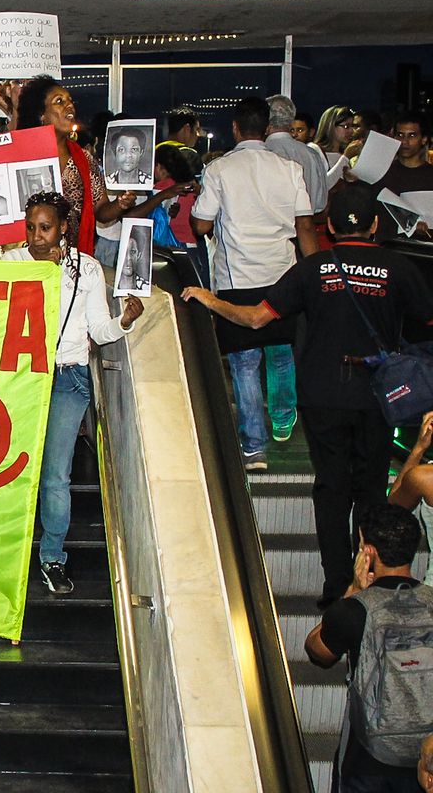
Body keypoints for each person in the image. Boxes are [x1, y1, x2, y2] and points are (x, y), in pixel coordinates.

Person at [183, 184, 433, 606]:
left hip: (322, 393)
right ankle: (371, 577)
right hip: (378, 396)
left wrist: (211, 300)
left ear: (330, 225)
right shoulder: (398, 267)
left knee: (332, 488)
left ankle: (337, 588)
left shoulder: (314, 268)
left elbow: (257, 318)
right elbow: (426, 321)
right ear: (375, 224)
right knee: (371, 488)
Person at [7, 192, 141, 594]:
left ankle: (52, 558)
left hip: (68, 377)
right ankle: (5, 555)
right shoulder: (11, 263)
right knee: (10, 470)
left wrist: (124, 322)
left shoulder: (86, 269)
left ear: (63, 228)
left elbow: (98, 330)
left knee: (55, 475)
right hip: (19, 377)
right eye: (30, 228)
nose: (36, 236)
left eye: (45, 228)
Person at [190, 97, 317, 471]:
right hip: (283, 274)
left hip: (238, 277)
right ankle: (283, 421)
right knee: (281, 353)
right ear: (267, 128)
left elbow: (201, 224)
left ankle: (254, 448)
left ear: (234, 128)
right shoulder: (289, 169)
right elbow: (304, 224)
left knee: (245, 363)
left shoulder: (220, 169)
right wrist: (314, 273)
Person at [304, 504, 430, 791]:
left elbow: (317, 651)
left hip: (368, 760)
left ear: (368, 552)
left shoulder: (356, 610)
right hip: (426, 759)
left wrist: (353, 591)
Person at [13, 77, 137, 260]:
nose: (69, 105)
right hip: (29, 258)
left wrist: (120, 204)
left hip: (72, 259)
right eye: (59, 101)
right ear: (41, 115)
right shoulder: (21, 157)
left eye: (70, 100)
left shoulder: (83, 159)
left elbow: (101, 210)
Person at [266, 95, 330, 225]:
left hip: (270, 230)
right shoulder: (312, 154)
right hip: (306, 229)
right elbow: (321, 203)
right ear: (291, 120)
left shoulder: (262, 153)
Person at [159, 109, 205, 179]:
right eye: (197, 129)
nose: (198, 135)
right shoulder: (190, 156)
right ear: (187, 129)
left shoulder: (155, 152)